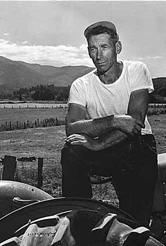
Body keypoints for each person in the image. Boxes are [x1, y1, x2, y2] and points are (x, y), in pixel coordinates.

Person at [61, 21, 158, 227]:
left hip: (138, 148)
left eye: (104, 47)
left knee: (134, 222)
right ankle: (79, 217)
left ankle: (137, 224)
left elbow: (134, 124)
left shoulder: (136, 71)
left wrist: (96, 143)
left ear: (117, 48)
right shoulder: (81, 84)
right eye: (93, 49)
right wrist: (114, 120)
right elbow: (72, 127)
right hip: (108, 151)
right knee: (71, 149)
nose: (98, 55)